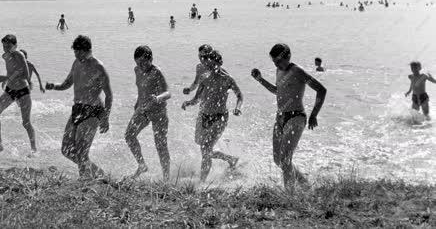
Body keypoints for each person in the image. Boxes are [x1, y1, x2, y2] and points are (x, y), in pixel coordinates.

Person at [251, 43, 327, 192]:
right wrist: (260, 79)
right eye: (274, 61)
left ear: (288, 56)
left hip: (296, 117)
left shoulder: (297, 71)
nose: (276, 64)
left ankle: (290, 195)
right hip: (280, 118)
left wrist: (314, 115)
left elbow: (321, 90)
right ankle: (305, 184)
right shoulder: (278, 71)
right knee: (278, 160)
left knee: (285, 159)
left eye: (278, 61)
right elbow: (277, 91)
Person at [46, 35, 112, 179]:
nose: (76, 55)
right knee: (66, 150)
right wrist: (54, 86)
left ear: (86, 50)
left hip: (93, 111)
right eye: (75, 52)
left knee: (82, 152)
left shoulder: (98, 67)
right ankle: (99, 174)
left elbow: (109, 95)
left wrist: (106, 118)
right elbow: (67, 84)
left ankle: (84, 180)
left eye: (78, 52)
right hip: (77, 109)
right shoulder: (76, 63)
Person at [182, 49, 242, 181]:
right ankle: (230, 159)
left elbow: (239, 95)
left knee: (206, 148)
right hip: (204, 116)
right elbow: (197, 99)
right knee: (204, 148)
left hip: (219, 117)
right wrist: (188, 103)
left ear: (219, 63)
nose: (211, 68)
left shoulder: (227, 79)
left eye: (213, 65)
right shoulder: (204, 78)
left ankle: (202, 183)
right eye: (208, 65)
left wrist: (237, 108)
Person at [125, 46, 171, 180]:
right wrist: (137, 104)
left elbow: (168, 93)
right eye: (138, 63)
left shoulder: (156, 72)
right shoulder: (136, 70)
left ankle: (166, 179)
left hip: (159, 112)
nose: (141, 65)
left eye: (144, 62)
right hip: (143, 109)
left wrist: (158, 98)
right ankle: (142, 165)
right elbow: (141, 89)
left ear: (151, 59)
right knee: (129, 136)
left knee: (160, 145)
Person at [0, 34, 36, 153]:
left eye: (9, 46)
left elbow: (25, 74)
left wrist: (6, 78)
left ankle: (34, 149)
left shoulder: (19, 54)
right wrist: (7, 81)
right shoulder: (6, 55)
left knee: (26, 122)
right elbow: (13, 70)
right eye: (4, 46)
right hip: (10, 91)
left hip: (22, 92)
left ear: (15, 45)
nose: (6, 48)